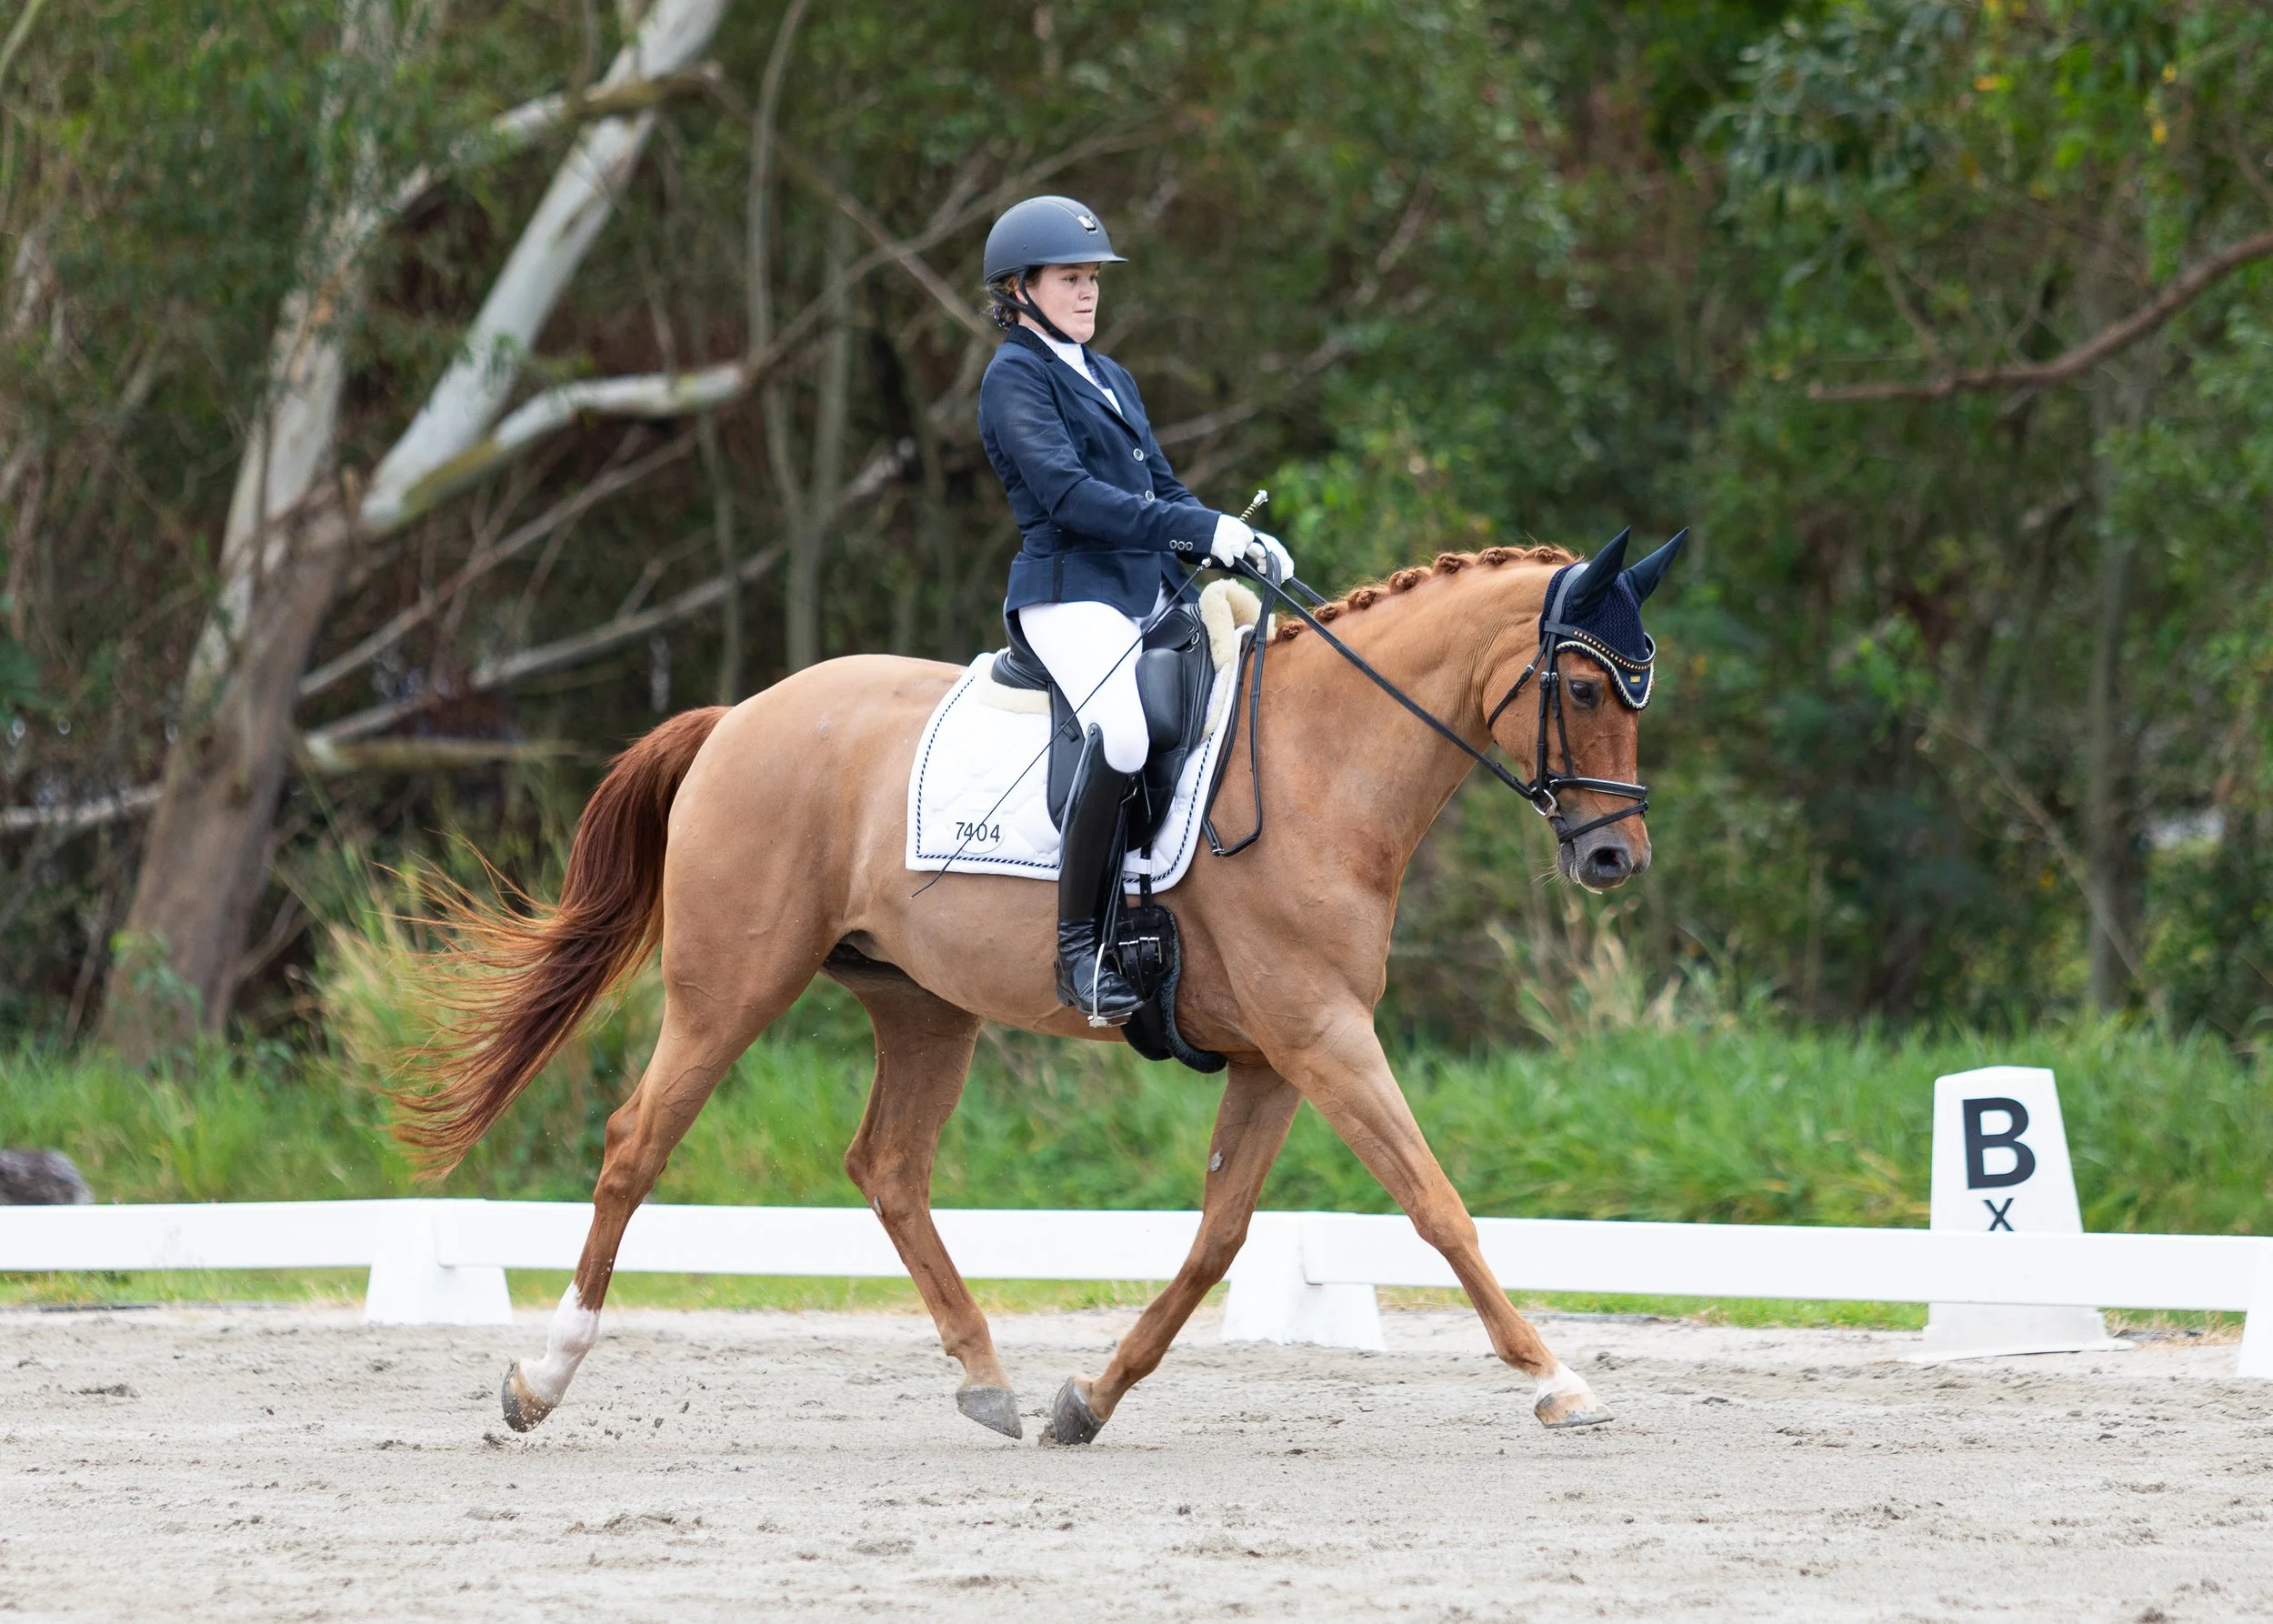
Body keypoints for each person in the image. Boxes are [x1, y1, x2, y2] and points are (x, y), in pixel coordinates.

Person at [976, 195, 1292, 1026]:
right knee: (1121, 729)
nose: (1087, 293)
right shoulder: (1015, 377)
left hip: (1148, 592)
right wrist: (1198, 526)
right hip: (1069, 593)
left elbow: (1163, 490)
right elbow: (1073, 498)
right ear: (1019, 288)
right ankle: (1080, 951)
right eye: (1069, 279)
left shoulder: (1110, 376)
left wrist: (1237, 541)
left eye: (1092, 280)